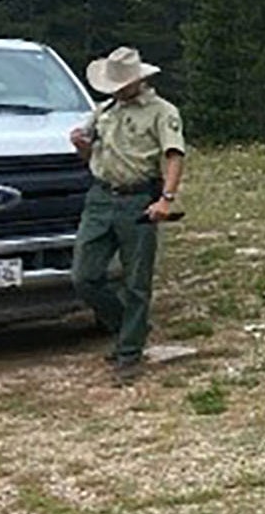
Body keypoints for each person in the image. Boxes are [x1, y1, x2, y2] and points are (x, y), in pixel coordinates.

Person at [68, 47, 187, 385]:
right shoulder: (104, 111)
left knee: (137, 280)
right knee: (85, 276)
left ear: (137, 80)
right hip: (101, 196)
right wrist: (81, 146)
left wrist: (167, 198)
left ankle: (129, 353)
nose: (116, 90)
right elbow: (92, 154)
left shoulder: (162, 112)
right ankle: (129, 328)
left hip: (138, 198)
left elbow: (175, 155)